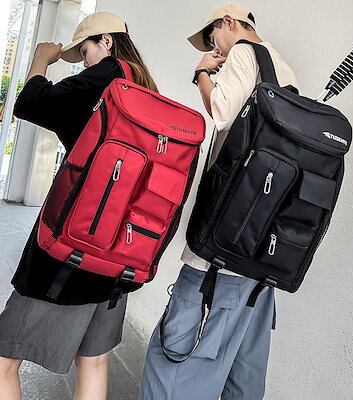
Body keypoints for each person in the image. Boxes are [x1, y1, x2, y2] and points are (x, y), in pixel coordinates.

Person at [140, 3, 301, 400]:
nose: (215, 49)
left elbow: (222, 111)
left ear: (229, 23)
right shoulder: (283, 68)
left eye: (213, 38)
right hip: (259, 246)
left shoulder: (244, 52)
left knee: (173, 357)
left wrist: (201, 73)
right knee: (240, 370)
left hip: (220, 247)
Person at [0, 11, 157, 400]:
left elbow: (31, 102)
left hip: (72, 244)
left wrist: (41, 59)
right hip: (121, 248)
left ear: (106, 41)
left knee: (3, 359)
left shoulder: (107, 75)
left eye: (85, 52)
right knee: (94, 361)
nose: (85, 63)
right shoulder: (146, 87)